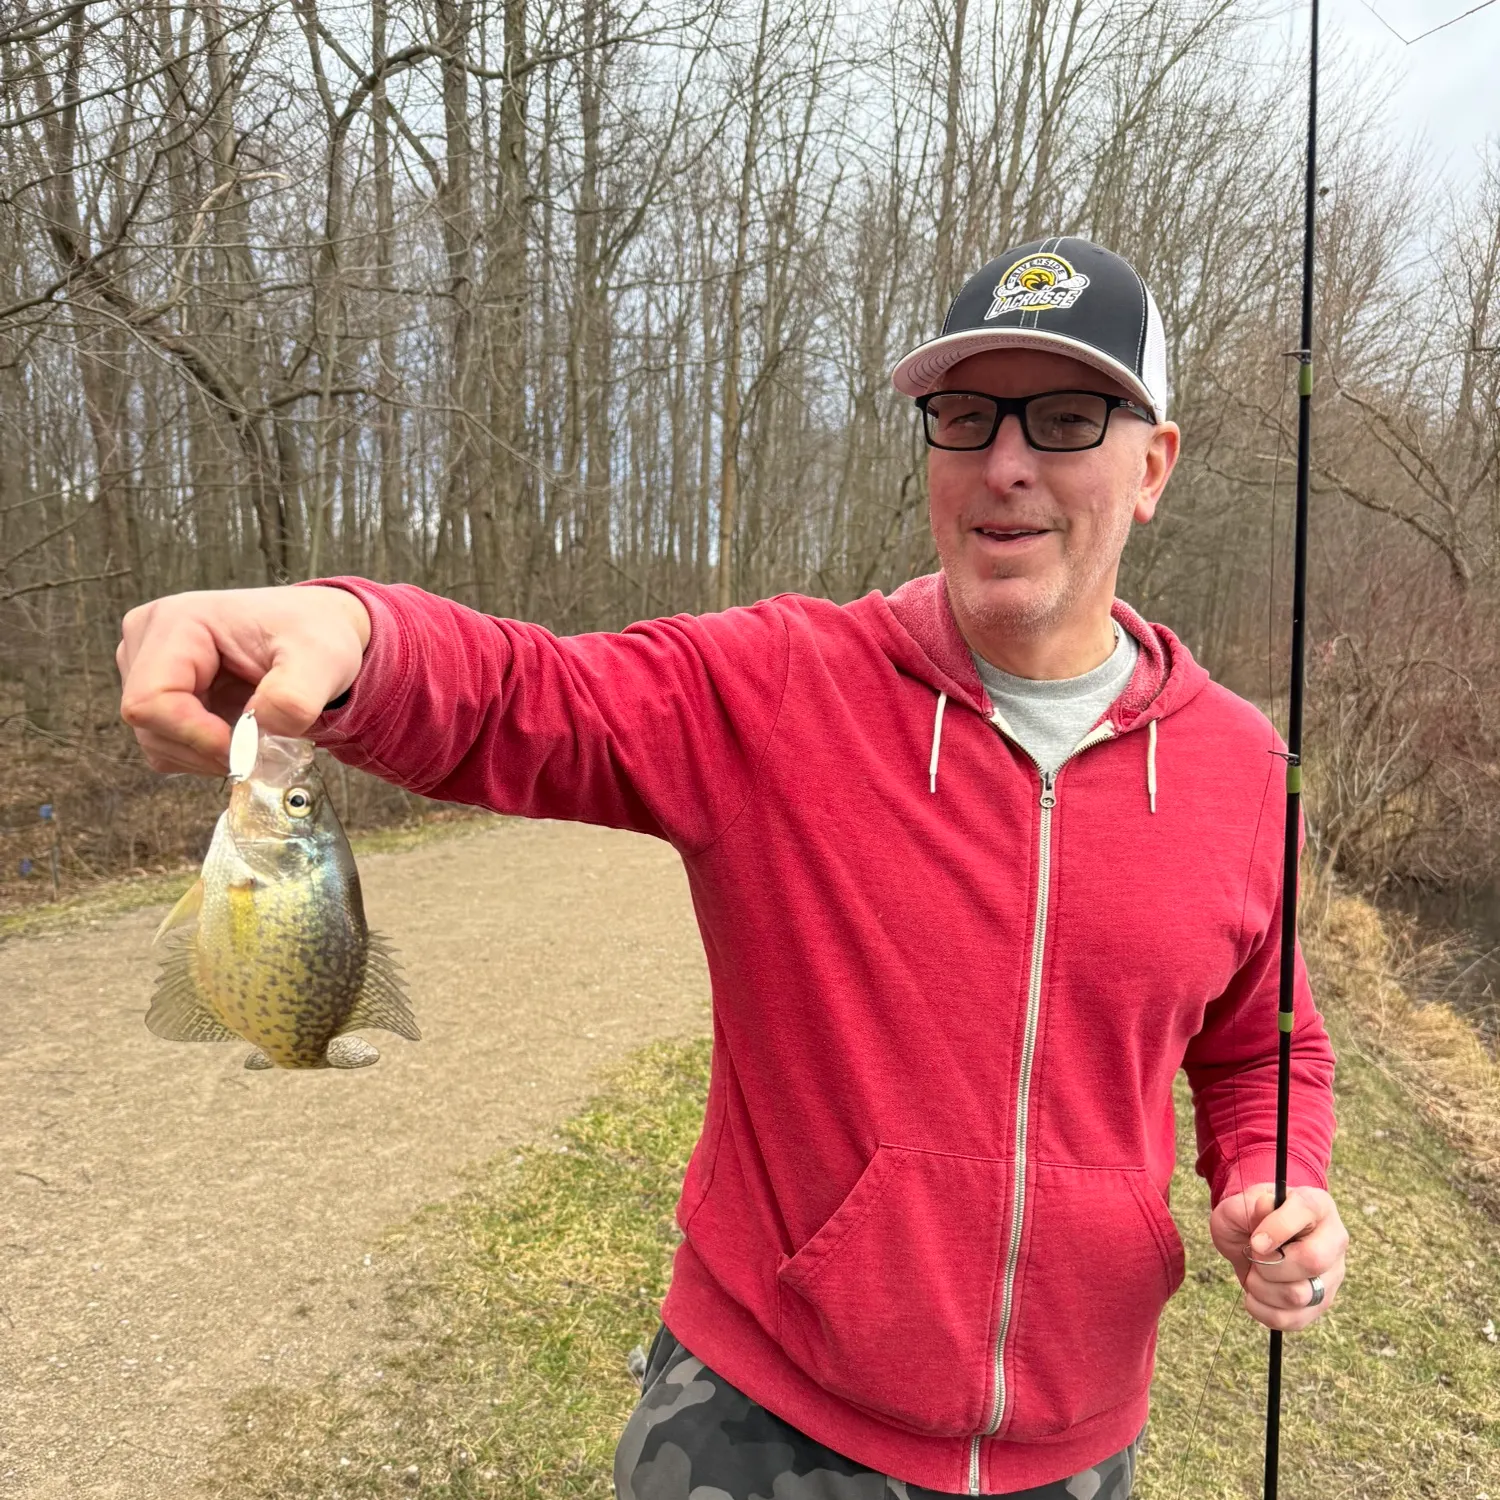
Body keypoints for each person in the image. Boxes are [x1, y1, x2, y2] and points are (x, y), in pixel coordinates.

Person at [116, 236, 1347, 1499]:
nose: (1007, 462)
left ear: (1153, 465)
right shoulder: (783, 686)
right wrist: (354, 634)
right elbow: (527, 696)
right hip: (760, 1422)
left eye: (1067, 415)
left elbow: (1264, 1044)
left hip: (1076, 1454)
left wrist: (1275, 1179)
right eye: (965, 416)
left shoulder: (1244, 769)